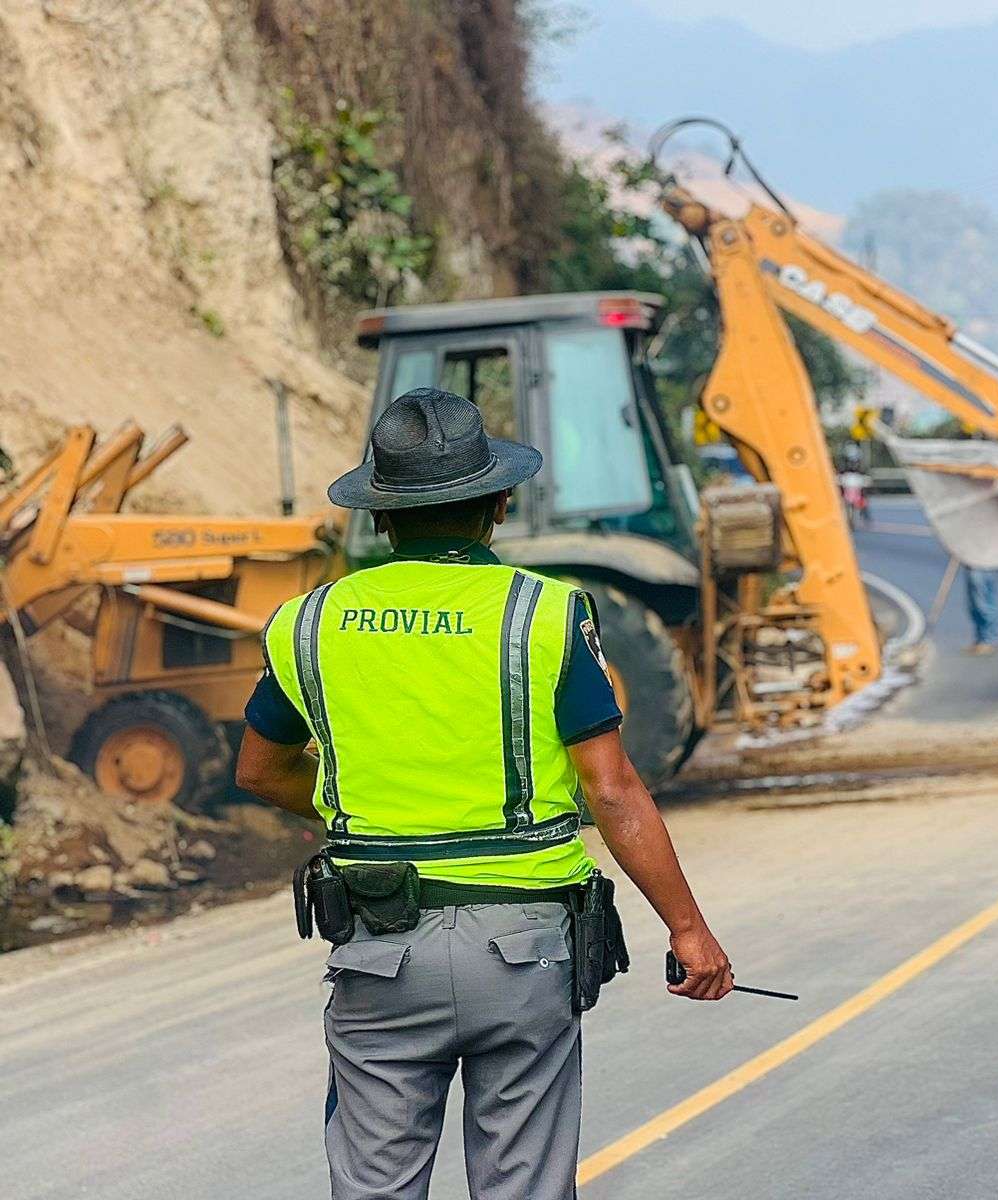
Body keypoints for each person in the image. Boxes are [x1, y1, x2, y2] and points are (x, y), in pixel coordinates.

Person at [235, 387, 732, 1200]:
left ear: (382, 514)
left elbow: (258, 768)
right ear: (499, 502)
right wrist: (689, 929)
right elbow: (612, 789)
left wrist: (364, 811)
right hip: (525, 949)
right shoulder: (543, 613)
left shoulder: (308, 622)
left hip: (377, 946)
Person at [964, 566, 998, 655]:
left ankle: (987, 640)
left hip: (981, 564)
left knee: (982, 605)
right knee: (975, 605)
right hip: (973, 563)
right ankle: (981, 639)